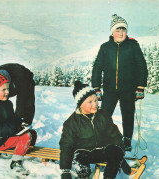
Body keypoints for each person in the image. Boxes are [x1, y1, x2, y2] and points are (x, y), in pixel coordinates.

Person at [91, 14, 148, 152]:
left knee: (127, 116)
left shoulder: (132, 45)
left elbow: (142, 66)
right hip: (109, 90)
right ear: (112, 32)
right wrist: (96, 88)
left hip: (128, 89)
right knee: (104, 116)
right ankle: (101, 139)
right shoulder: (105, 47)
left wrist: (140, 87)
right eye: (118, 30)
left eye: (123, 29)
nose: (121, 33)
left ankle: (127, 140)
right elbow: (97, 67)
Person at [59, 81, 125, 179]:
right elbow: (66, 145)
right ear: (80, 104)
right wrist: (65, 170)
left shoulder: (103, 115)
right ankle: (84, 175)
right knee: (79, 160)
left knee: (115, 151)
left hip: (102, 150)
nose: (95, 104)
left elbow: (114, 134)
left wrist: (120, 152)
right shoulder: (72, 122)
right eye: (90, 102)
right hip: (83, 152)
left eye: (96, 100)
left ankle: (108, 177)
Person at [0, 71, 36, 171]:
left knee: (32, 134)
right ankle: (16, 162)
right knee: (27, 137)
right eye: (3, 90)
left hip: (4, 136)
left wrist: (19, 123)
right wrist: (13, 129)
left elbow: (11, 119)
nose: (7, 92)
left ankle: (15, 150)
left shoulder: (7, 103)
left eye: (8, 88)